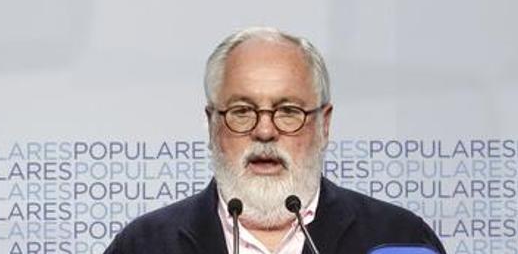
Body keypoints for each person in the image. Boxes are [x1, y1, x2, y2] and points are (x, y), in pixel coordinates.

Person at [105, 27, 446, 254]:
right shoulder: (145, 245)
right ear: (212, 125)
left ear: (324, 125)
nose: (265, 132)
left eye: (288, 111)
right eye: (241, 111)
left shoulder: (397, 239)